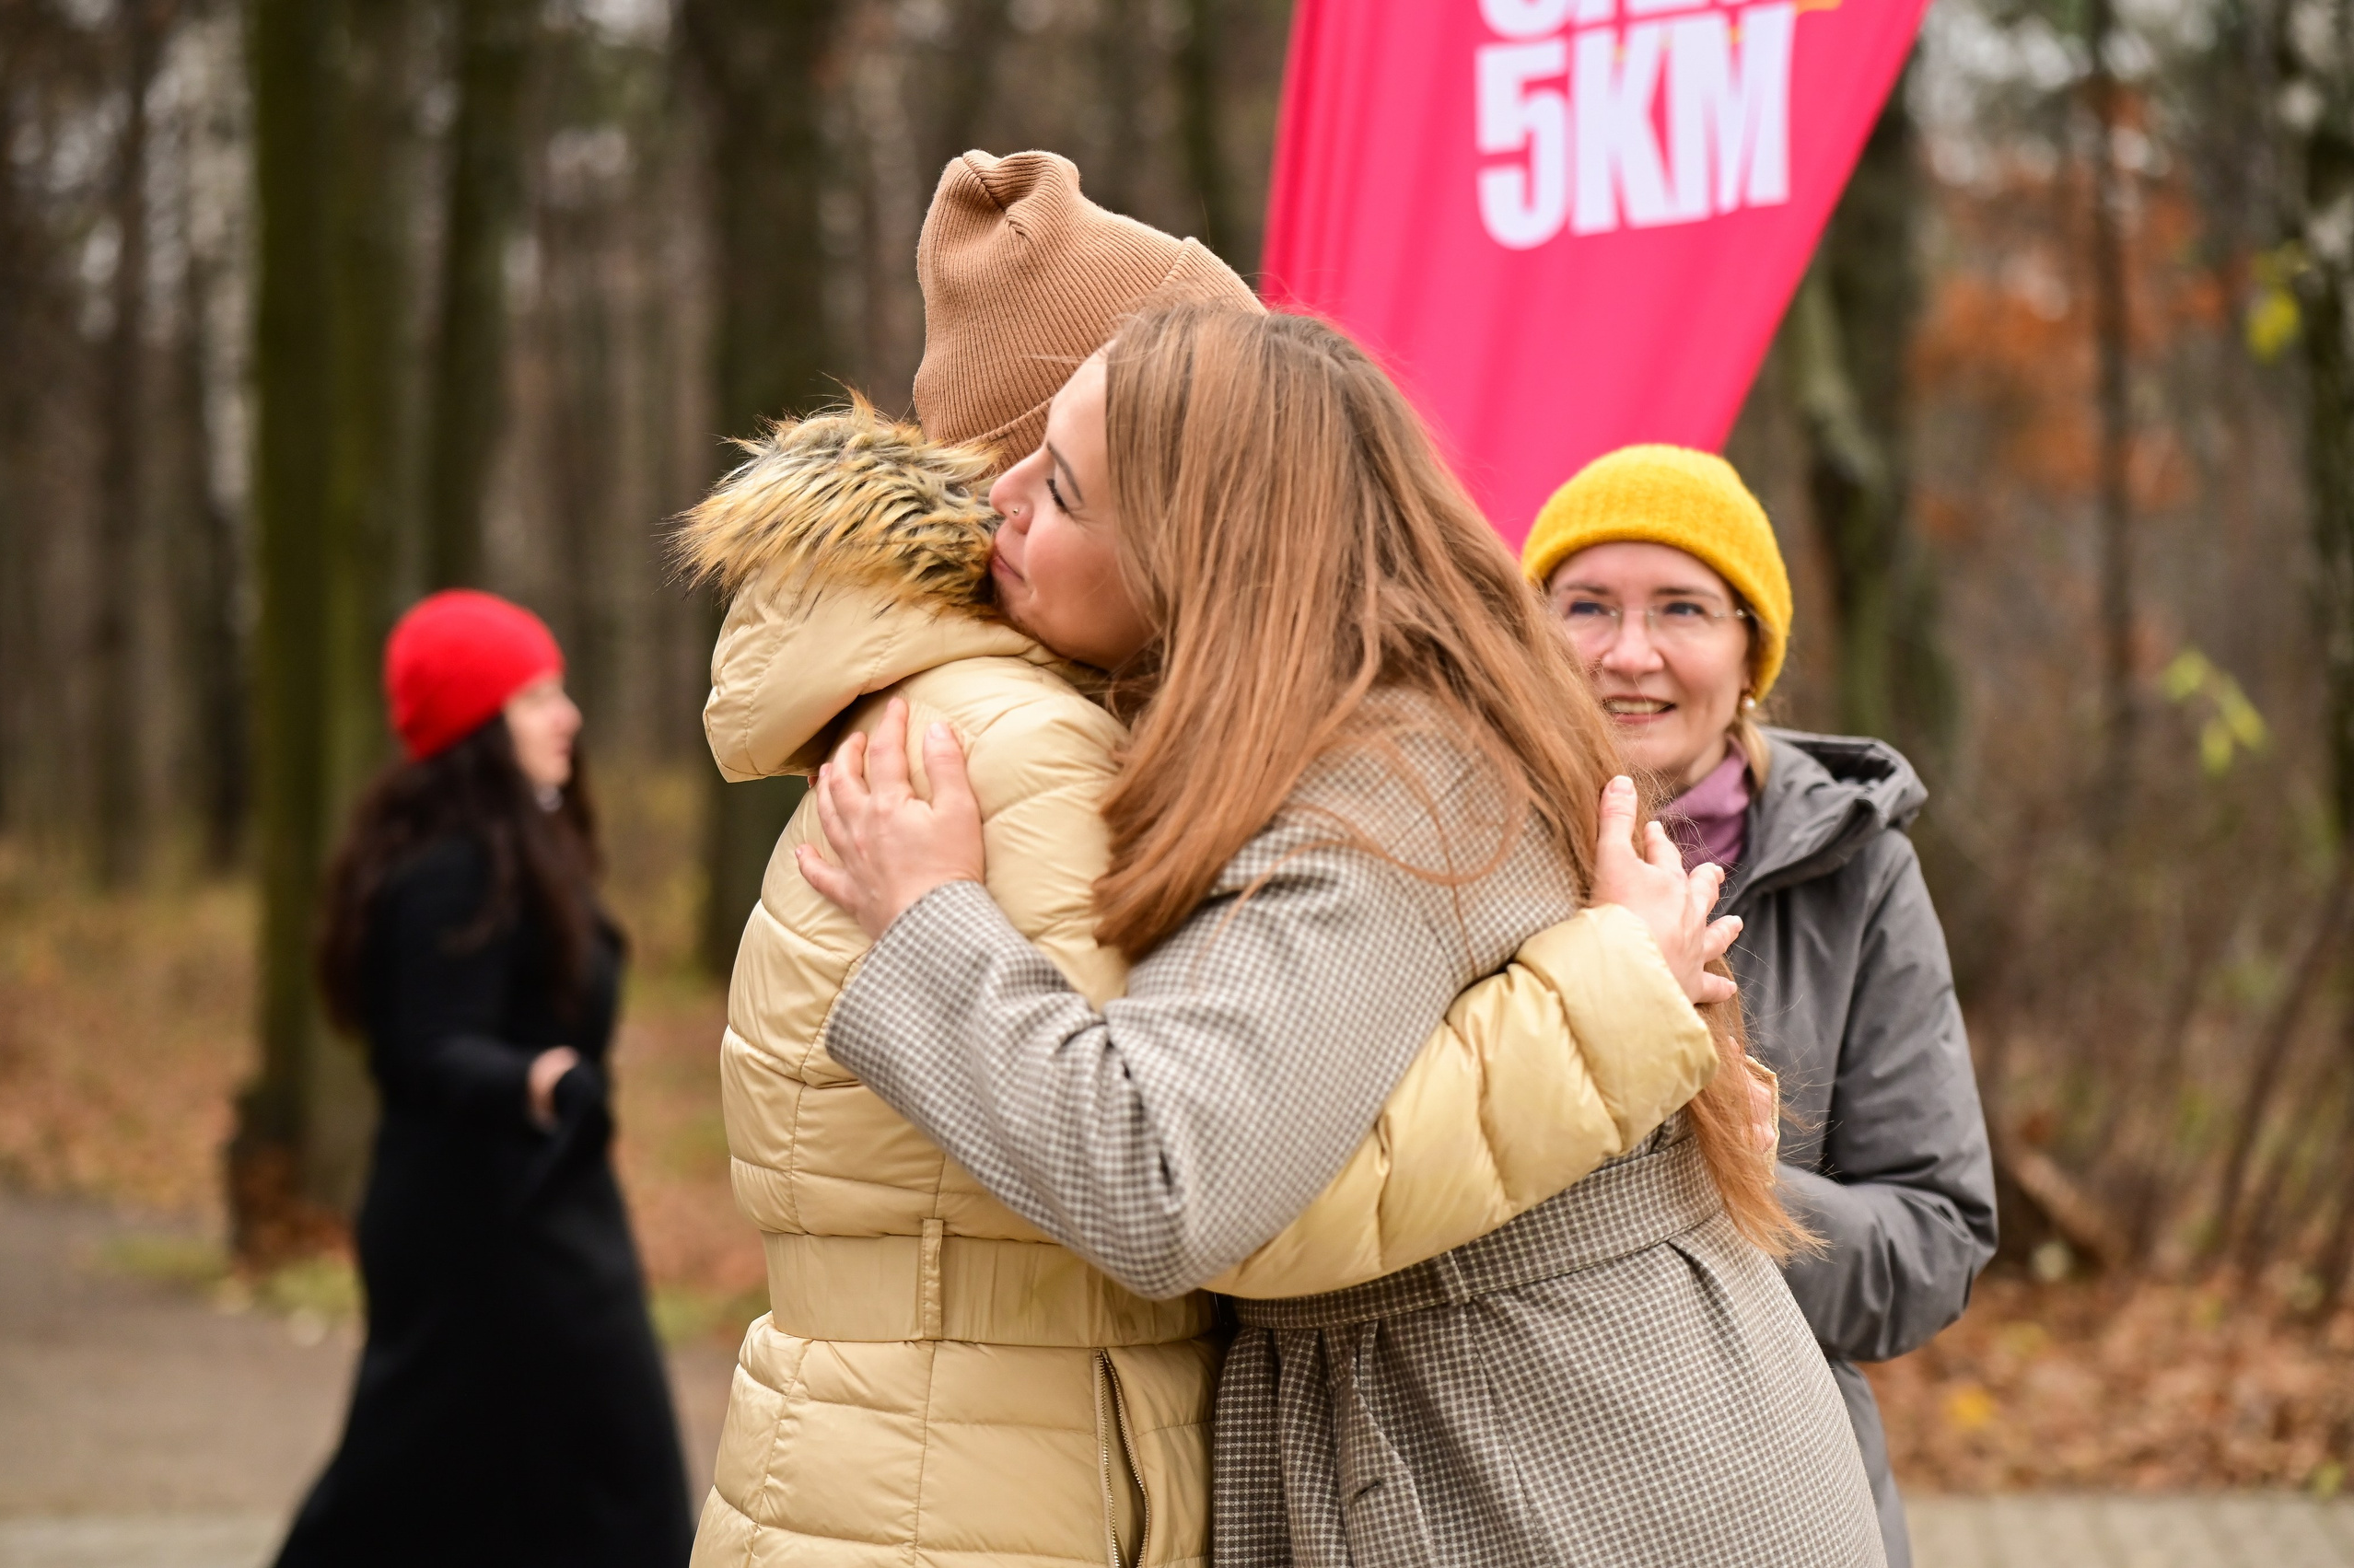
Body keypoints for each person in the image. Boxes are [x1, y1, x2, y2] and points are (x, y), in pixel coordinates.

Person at [682, 153, 1733, 1568]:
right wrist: (1608, 1003)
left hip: (958, 1469)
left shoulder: (1094, 727)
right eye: (1048, 473)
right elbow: (1190, 1180)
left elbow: (1225, 1148)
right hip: (986, 1492)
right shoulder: (1030, 748)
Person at [1520, 444, 2000, 1568]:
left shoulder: (1857, 870)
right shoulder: (1458, 839)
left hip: (1773, 1499)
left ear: (1750, 655)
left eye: (1680, 607)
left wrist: (1721, 1185)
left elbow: (1933, 1243)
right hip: (1507, 1485)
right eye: (1585, 604)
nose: (1627, 653)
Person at [276, 590, 693, 1568]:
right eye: (539, 695)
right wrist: (537, 1080)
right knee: (446, 1488)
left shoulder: (512, 850)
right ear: (478, 722)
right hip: (490, 1234)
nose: (569, 716)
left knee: (545, 1491)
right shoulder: (449, 869)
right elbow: (425, 1045)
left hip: (535, 1213)